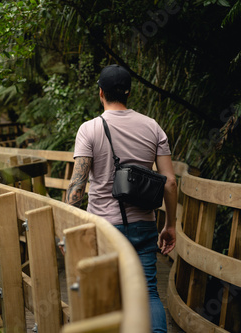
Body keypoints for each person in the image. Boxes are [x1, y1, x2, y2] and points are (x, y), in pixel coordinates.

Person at [66, 64, 177, 333]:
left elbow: (77, 187)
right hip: (144, 226)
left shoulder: (89, 129)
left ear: (100, 93)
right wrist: (170, 225)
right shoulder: (152, 127)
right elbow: (170, 181)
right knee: (149, 293)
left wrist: (67, 230)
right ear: (129, 93)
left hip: (103, 229)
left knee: (104, 295)